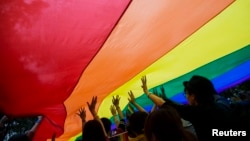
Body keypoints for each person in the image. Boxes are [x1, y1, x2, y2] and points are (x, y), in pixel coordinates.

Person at [141, 75, 241, 141]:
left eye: (186, 94)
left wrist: (147, 93)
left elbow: (164, 104)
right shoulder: (221, 105)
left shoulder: (197, 113)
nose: (187, 97)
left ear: (193, 96)